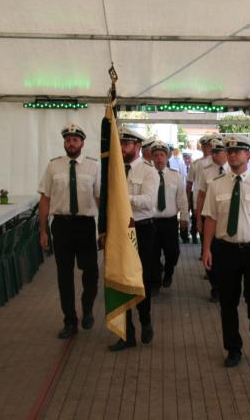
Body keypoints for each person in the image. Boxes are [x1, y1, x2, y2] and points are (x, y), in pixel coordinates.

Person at [201, 135, 250, 368]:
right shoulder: (216, 184)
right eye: (230, 151)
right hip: (226, 251)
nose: (233, 154)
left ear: (248, 155)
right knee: (228, 302)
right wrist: (206, 249)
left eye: (238, 151)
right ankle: (233, 348)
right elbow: (211, 219)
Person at [38, 124, 101, 339]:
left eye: (75, 140)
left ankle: (87, 307)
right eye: (67, 140)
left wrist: (105, 229)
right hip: (62, 226)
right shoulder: (53, 166)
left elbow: (100, 199)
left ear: (82, 142)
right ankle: (70, 321)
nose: (71, 143)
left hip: (85, 225)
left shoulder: (94, 166)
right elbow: (45, 198)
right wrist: (43, 230)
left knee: (91, 272)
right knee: (64, 276)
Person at [109, 126, 160, 351]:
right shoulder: (113, 169)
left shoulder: (148, 171)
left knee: (141, 279)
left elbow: (148, 201)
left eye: (126, 144)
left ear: (137, 146)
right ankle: (126, 334)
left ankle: (145, 320)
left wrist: (123, 197)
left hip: (142, 230)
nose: (122, 148)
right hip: (119, 229)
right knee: (121, 279)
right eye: (120, 144)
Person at [194, 136, 229, 301]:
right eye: (212, 152)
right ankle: (215, 286)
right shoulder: (206, 170)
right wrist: (198, 218)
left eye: (217, 152)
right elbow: (201, 195)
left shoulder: (234, 170)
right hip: (208, 217)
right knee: (209, 251)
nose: (213, 155)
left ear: (226, 152)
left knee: (225, 254)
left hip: (227, 219)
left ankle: (226, 284)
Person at [150, 141, 189, 288]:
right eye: (156, 155)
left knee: (173, 253)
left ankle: (168, 273)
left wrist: (184, 218)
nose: (159, 158)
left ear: (167, 157)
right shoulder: (147, 175)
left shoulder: (175, 176)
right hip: (151, 221)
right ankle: (155, 282)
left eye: (162, 155)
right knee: (152, 253)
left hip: (170, 222)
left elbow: (182, 198)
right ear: (152, 158)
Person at [186, 135, 214, 244]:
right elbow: (189, 183)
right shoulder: (196, 163)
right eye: (204, 146)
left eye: (208, 146)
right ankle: (198, 241)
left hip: (212, 199)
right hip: (198, 198)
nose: (206, 148)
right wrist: (188, 200)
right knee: (199, 222)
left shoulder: (217, 163)